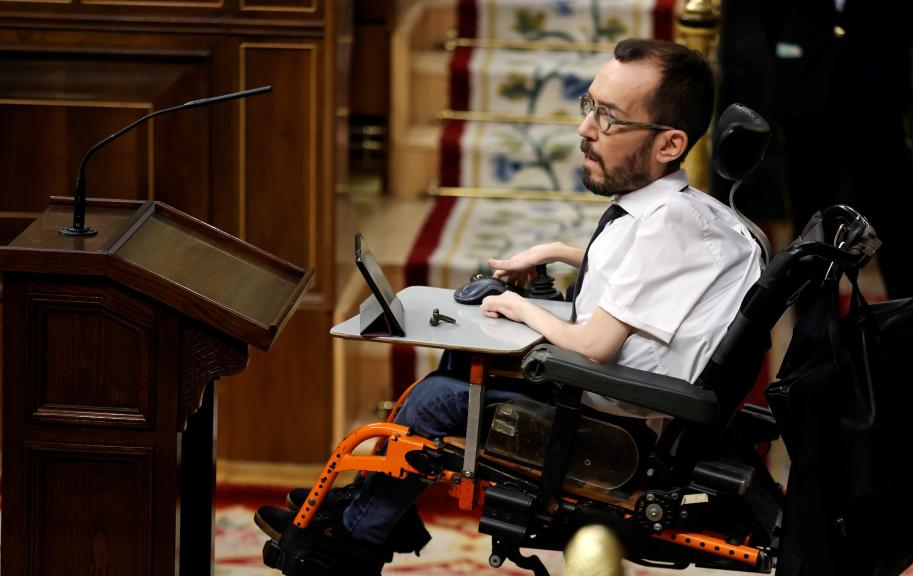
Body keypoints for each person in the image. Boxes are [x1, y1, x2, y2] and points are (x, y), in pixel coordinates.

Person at [255, 38, 763, 574]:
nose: (584, 130)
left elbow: (596, 345)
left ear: (670, 144)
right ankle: (371, 509)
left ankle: (351, 547)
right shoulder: (684, 213)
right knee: (457, 363)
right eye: (589, 105)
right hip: (621, 407)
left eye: (609, 119)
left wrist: (519, 307)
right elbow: (640, 279)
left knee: (431, 403)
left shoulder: (666, 226)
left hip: (617, 438)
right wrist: (557, 253)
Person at [759, 0, 913, 419]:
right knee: (811, 243)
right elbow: (770, 12)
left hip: (875, 84)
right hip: (806, 87)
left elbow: (910, 14)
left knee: (900, 237)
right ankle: (814, 372)